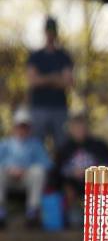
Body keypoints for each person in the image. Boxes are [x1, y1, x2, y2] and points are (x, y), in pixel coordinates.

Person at [52, 114, 108, 227]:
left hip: (95, 182)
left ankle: (101, 214)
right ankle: (76, 214)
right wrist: (71, 173)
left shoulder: (99, 145)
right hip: (72, 185)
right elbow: (57, 171)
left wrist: (89, 171)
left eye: (82, 128)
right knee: (75, 221)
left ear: (87, 129)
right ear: (71, 130)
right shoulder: (64, 148)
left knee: (101, 175)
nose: (79, 131)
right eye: (76, 128)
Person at [26, 17, 74, 148]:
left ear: (56, 32)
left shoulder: (64, 56)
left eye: (52, 30)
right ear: (44, 32)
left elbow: (68, 82)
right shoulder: (35, 56)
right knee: (36, 146)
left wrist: (43, 79)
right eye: (48, 30)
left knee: (62, 146)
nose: (50, 34)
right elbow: (32, 81)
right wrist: (54, 77)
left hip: (60, 108)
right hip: (38, 108)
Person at [0, 108, 52, 228]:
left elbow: (47, 164)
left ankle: (32, 212)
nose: (22, 130)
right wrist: (8, 168)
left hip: (26, 178)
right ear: (14, 127)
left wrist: (26, 169)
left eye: (25, 127)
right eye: (19, 126)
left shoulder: (36, 144)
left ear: (29, 128)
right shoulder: (4, 144)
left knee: (38, 171)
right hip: (7, 177)